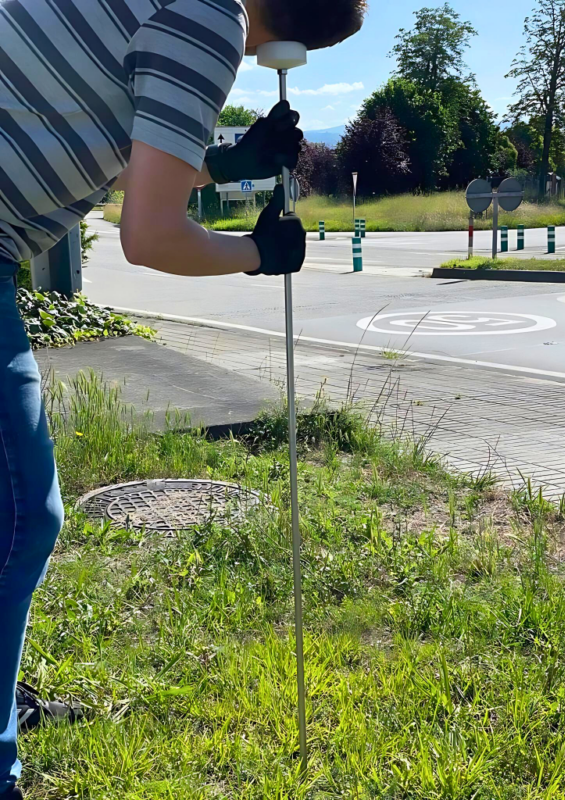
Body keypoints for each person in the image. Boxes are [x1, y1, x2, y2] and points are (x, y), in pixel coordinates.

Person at [0, 0, 366, 795]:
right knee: (23, 515)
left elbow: (116, 160)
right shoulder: (210, 21)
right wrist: (260, 253)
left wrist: (232, 163)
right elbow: (151, 234)